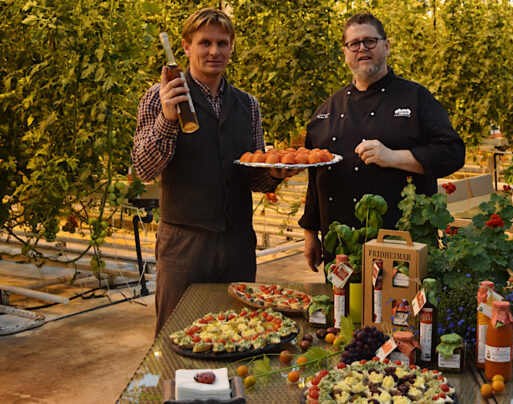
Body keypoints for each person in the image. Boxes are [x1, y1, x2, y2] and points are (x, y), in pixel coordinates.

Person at [132, 8, 296, 334]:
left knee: (240, 334)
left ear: (232, 47)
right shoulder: (160, 96)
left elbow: (254, 178)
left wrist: (276, 173)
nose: (214, 51)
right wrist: (167, 119)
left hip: (237, 244)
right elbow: (145, 168)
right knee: (177, 337)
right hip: (184, 246)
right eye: (204, 42)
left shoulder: (247, 105)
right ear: (186, 46)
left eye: (222, 43)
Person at [299, 13, 465, 271]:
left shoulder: (416, 98)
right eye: (354, 43)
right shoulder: (327, 110)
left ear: (386, 46)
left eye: (370, 41)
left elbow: (452, 152)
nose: (362, 49)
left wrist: (393, 157)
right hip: (341, 247)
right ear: (345, 52)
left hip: (401, 245)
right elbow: (315, 177)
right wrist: (310, 232)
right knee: (342, 309)